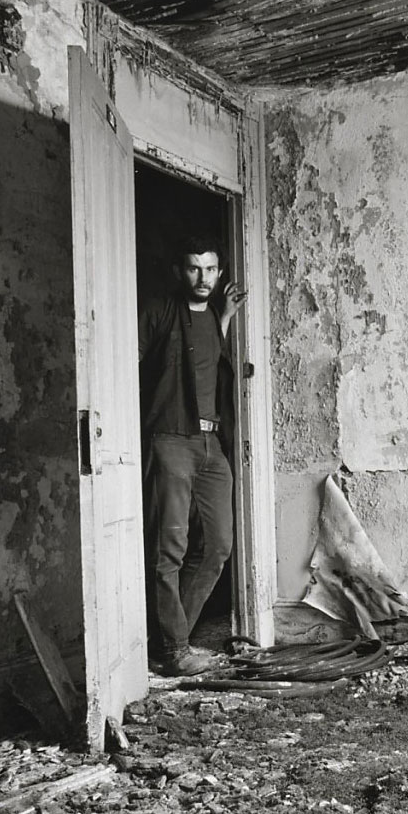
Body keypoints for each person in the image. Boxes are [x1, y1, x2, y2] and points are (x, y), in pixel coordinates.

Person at [138, 234, 247, 675]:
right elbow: (126, 361)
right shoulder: (161, 311)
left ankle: (169, 642)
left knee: (219, 545)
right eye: (193, 268)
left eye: (210, 269)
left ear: (220, 274)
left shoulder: (214, 317)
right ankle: (175, 648)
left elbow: (207, 363)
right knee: (171, 549)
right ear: (178, 271)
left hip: (211, 444)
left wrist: (223, 319)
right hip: (172, 440)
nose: (202, 277)